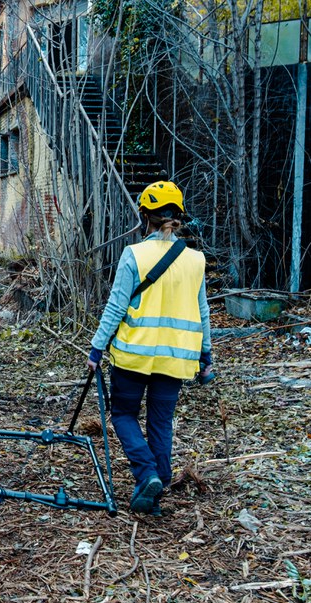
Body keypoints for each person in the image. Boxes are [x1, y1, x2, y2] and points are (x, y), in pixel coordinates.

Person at [86, 181, 212, 516]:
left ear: (145, 217)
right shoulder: (195, 260)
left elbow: (115, 307)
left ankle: (146, 474)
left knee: (124, 415)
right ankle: (154, 495)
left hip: (133, 355)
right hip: (175, 360)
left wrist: (96, 350)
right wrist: (207, 356)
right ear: (177, 216)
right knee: (160, 423)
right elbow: (203, 312)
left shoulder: (134, 255)